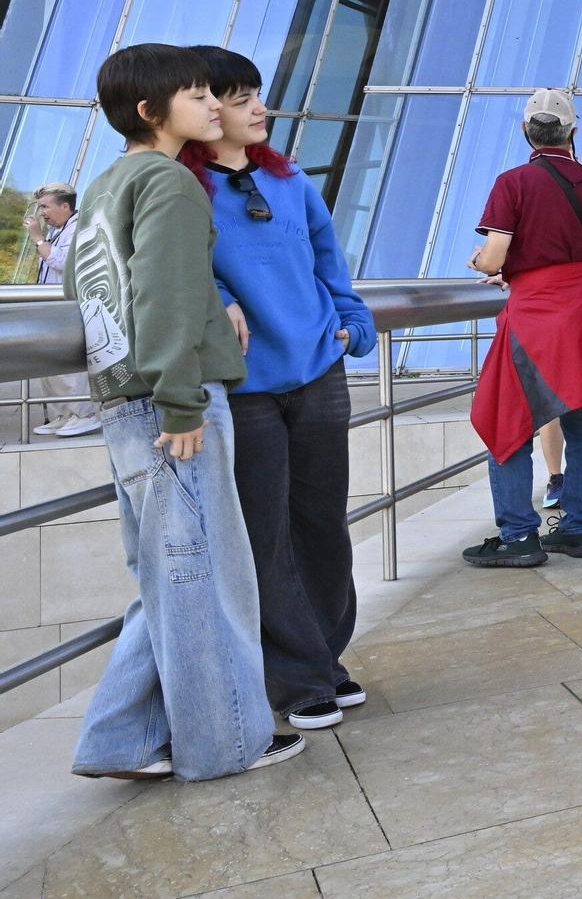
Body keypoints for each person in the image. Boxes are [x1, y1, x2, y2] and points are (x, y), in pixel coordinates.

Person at [66, 43, 300, 781]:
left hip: (123, 403)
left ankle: (118, 737)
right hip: (172, 406)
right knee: (207, 578)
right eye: (195, 95)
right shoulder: (169, 182)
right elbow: (163, 294)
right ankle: (227, 742)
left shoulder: (106, 185)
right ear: (150, 110)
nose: (210, 105)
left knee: (168, 579)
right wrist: (182, 399)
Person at [178, 46, 378, 733]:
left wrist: (353, 320)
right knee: (266, 533)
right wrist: (216, 295)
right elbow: (171, 265)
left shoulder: (290, 181)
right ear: (205, 109)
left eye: (255, 95)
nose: (258, 108)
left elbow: (328, 257)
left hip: (319, 369)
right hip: (245, 385)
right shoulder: (183, 190)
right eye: (239, 99)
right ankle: (296, 678)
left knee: (323, 525)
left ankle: (325, 656)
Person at [463, 89, 582, 565]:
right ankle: (577, 530)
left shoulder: (512, 182)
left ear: (525, 131)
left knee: (508, 421)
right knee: (581, 425)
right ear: (572, 132)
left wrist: (483, 260)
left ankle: (519, 535)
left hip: (535, 316)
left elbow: (495, 256)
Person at [25, 181, 101, 436]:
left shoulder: (78, 228)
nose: (41, 213)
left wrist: (37, 238)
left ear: (65, 206)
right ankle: (66, 413)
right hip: (53, 307)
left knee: (66, 365)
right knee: (50, 364)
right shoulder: (60, 230)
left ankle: (85, 414)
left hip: (69, 307)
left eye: (45, 206)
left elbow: (62, 263)